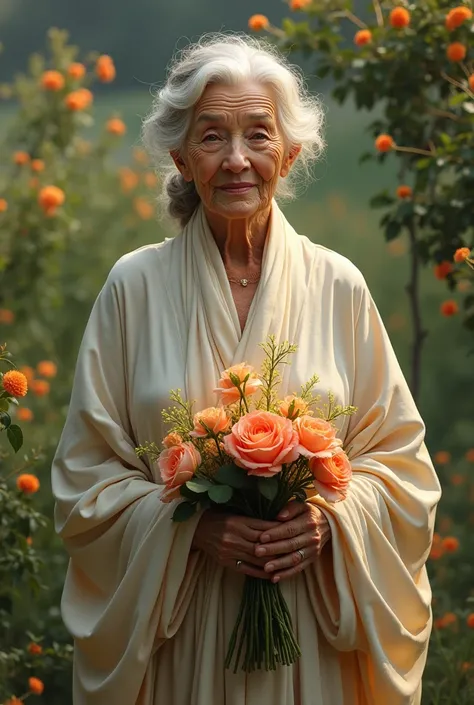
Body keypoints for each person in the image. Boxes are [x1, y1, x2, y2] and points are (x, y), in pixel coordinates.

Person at [52, 34, 441, 705]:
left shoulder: (338, 286)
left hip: (308, 633)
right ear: (181, 156)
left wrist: (328, 520)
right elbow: (83, 481)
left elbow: (403, 469)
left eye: (257, 135)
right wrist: (192, 529)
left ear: (287, 155)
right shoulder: (133, 287)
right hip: (181, 639)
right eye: (212, 137)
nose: (237, 159)